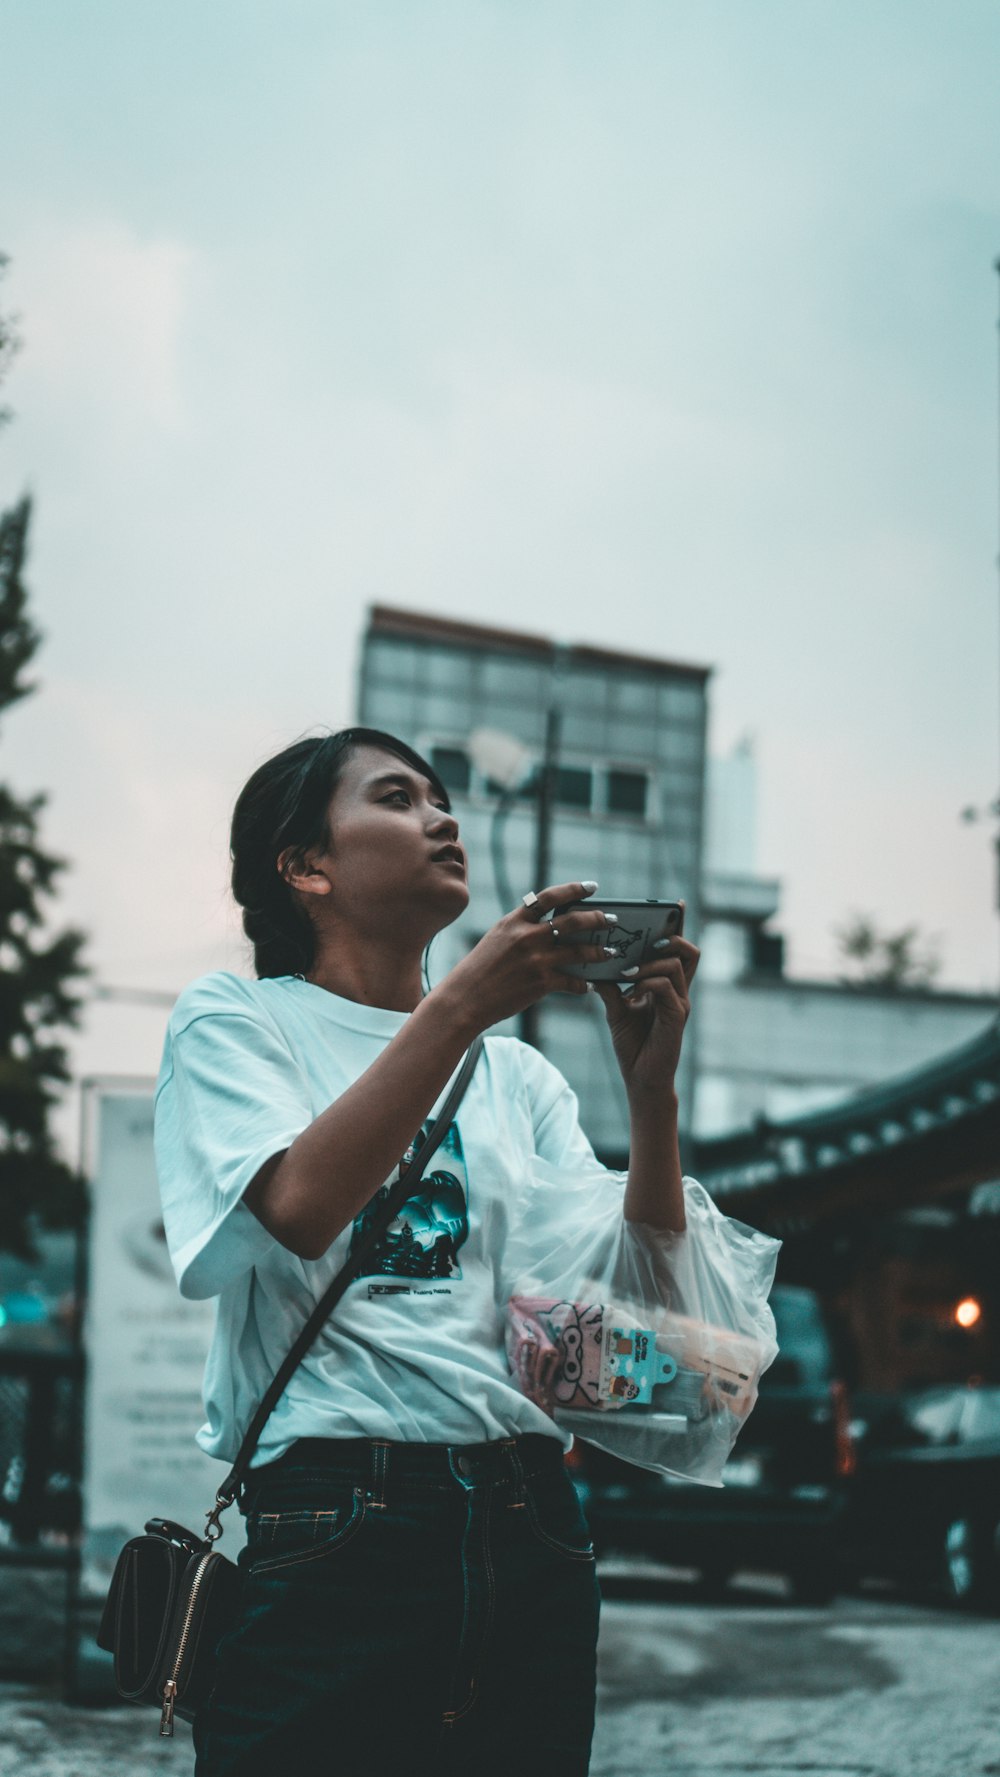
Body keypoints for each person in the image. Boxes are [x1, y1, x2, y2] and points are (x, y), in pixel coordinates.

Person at [154, 725, 701, 1777]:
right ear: (304, 867)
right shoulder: (238, 1019)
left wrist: (651, 1097)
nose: (441, 818)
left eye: (443, 799)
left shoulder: (522, 1081)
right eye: (397, 798)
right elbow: (300, 1207)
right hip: (338, 1521)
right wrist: (462, 1002)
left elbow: (629, 1321)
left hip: (531, 1520)